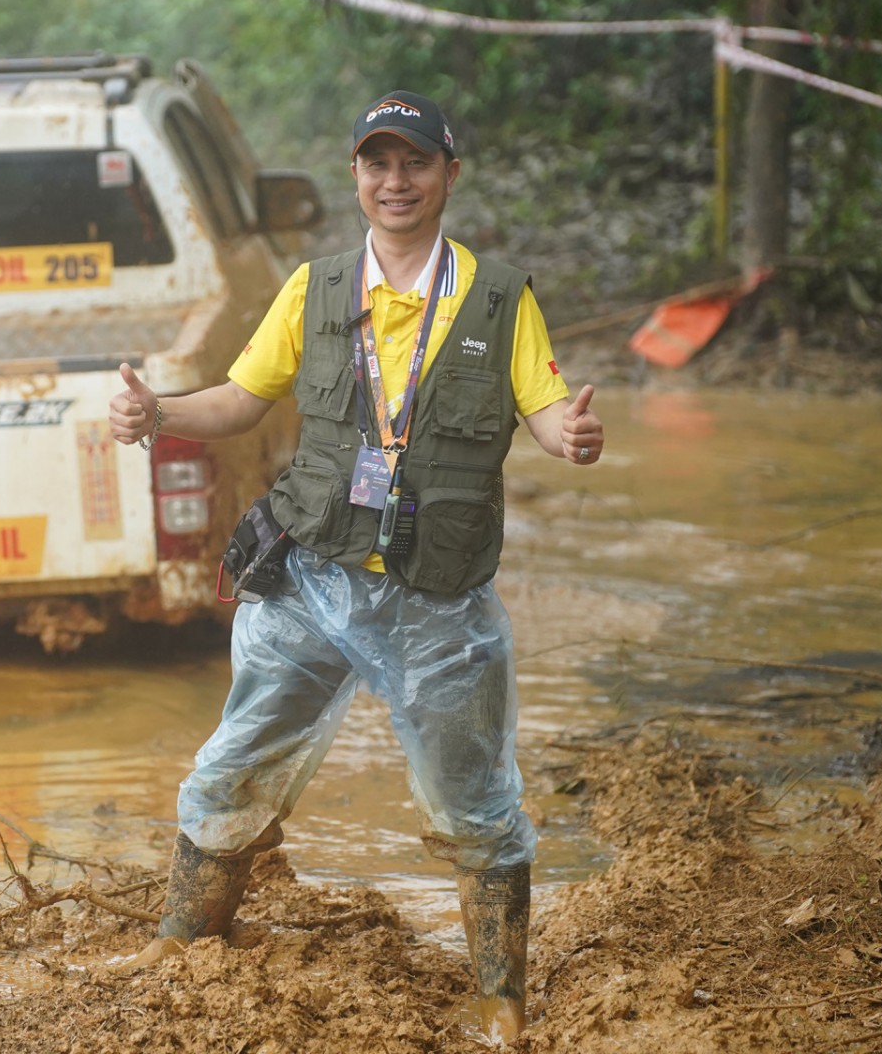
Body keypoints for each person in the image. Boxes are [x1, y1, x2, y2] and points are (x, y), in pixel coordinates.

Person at [106, 90, 604, 1041]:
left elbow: (545, 417)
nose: (396, 182)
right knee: (232, 763)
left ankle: (498, 997)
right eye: (378, 164)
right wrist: (160, 412)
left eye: (415, 163)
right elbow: (243, 400)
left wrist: (571, 435)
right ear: (356, 180)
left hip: (437, 604)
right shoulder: (314, 288)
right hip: (310, 580)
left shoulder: (501, 300)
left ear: (448, 176)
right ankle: (179, 940)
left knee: (477, 803)